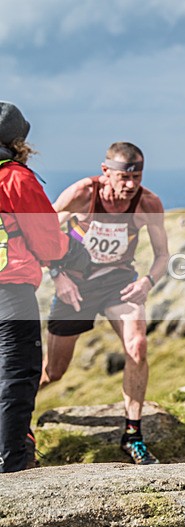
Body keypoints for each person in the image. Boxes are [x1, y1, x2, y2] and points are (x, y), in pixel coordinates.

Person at [41, 141, 169, 465]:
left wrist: (147, 281)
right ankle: (17, 423)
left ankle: (133, 434)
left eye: (136, 177)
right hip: (76, 285)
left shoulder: (148, 203)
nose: (130, 185)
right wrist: (57, 274)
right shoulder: (83, 193)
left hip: (118, 282)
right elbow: (40, 232)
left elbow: (162, 255)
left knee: (137, 345)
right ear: (105, 172)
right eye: (123, 178)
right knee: (53, 372)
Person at [0, 102, 68, 472]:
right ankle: (9, 463)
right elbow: (48, 243)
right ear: (18, 141)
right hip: (9, 294)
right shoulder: (15, 178)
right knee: (16, 376)